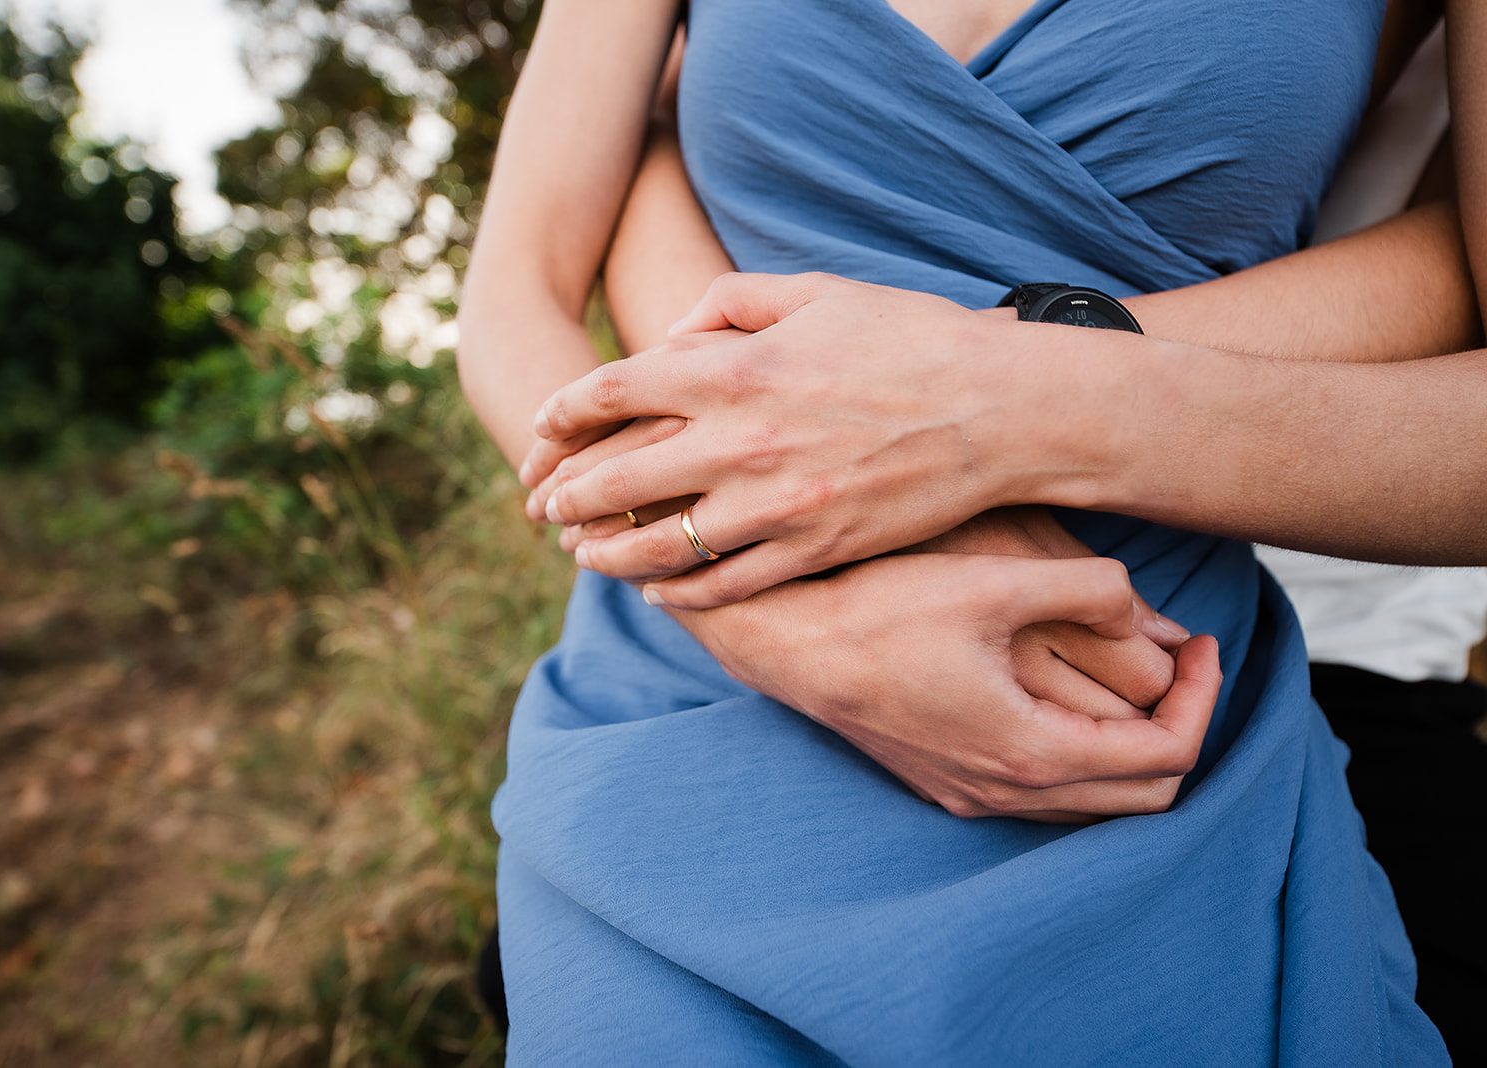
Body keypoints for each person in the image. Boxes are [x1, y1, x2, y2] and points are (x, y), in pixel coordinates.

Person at [458, 0, 1464, 1062]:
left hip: (1117, 682)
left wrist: (1008, 395)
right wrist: (768, 604)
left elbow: (1461, 293)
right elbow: (517, 294)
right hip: (694, 671)